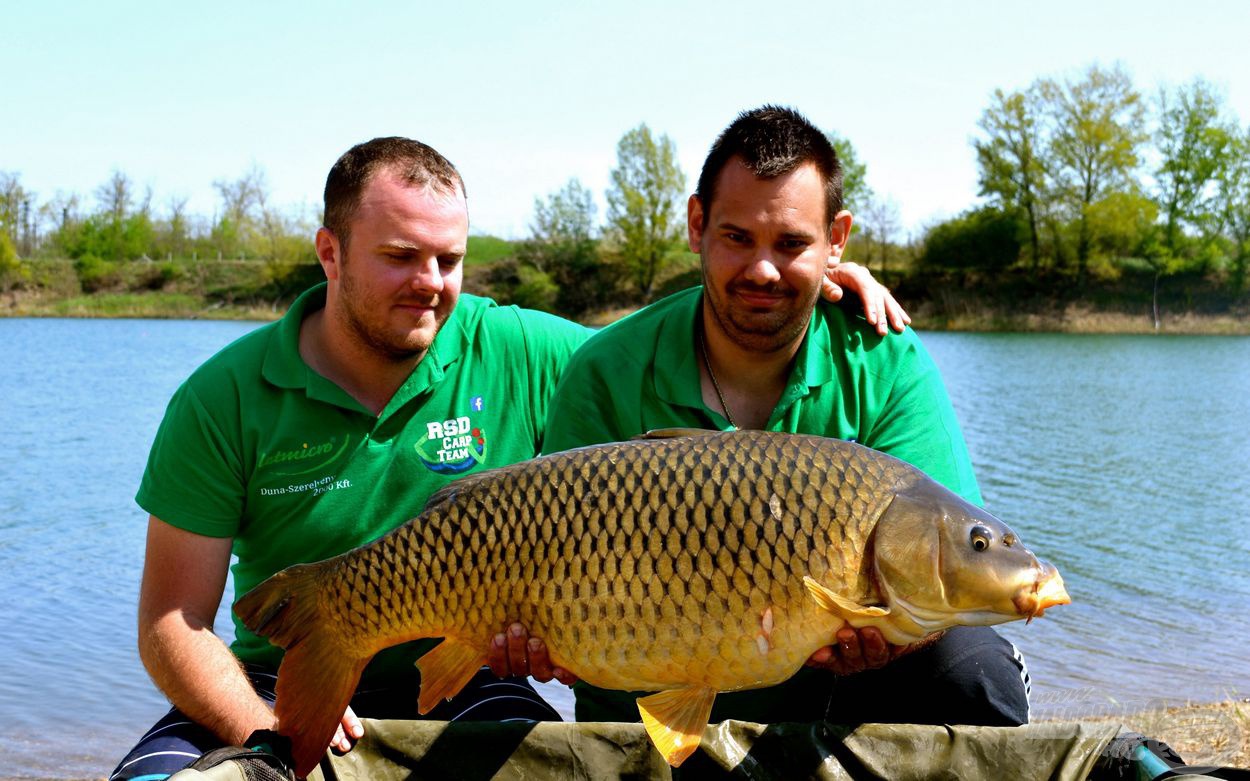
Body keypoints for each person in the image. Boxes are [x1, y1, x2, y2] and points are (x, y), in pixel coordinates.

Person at [111, 135, 905, 780]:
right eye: (400, 256)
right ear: (329, 252)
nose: (431, 284)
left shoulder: (519, 347)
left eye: (450, 261)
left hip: (474, 673)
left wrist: (818, 280)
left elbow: (664, 347)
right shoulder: (223, 396)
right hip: (271, 677)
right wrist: (269, 734)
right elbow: (171, 623)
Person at [541, 106, 1033, 728]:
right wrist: (526, 633)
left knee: (974, 674)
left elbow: (944, 569)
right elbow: (542, 563)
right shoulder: (606, 370)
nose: (763, 270)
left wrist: (894, 638)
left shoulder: (884, 361)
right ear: (697, 225)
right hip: (640, 695)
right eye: (737, 238)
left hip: (827, 697)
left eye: (793, 243)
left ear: (837, 240)